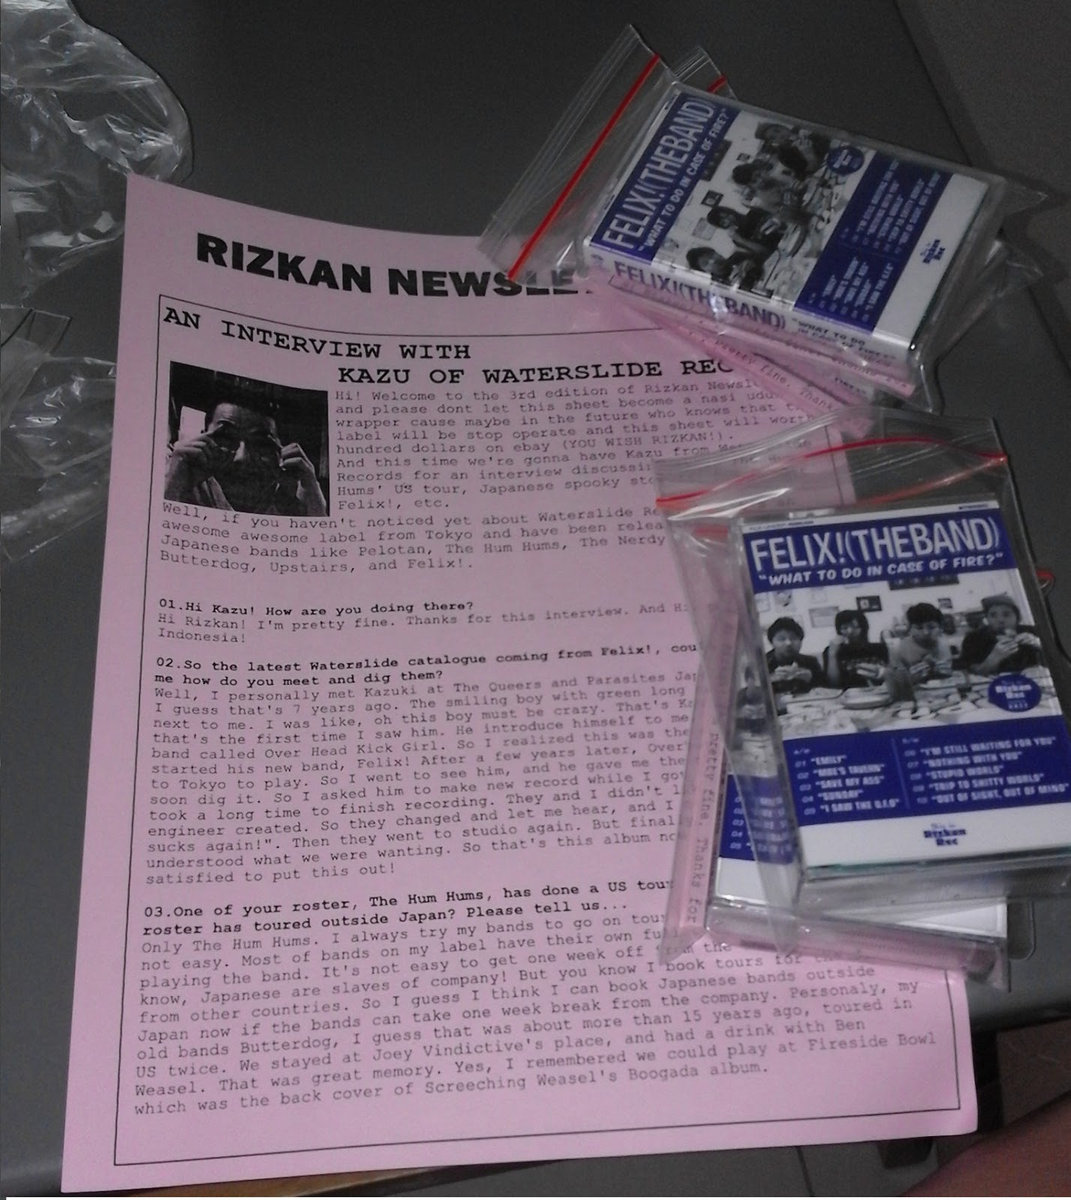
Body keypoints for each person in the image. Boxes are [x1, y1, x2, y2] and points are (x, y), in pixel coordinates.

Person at [164, 397, 327, 516]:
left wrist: (316, 507)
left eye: (260, 444)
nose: (241, 458)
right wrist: (171, 487)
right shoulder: (185, 482)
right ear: (202, 437)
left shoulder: (294, 497)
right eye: (226, 439)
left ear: (281, 450)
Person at [958, 593, 1042, 676]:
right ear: (987, 618)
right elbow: (970, 674)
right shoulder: (973, 638)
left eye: (1006, 614)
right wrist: (993, 659)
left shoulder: (1033, 632)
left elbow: (1048, 663)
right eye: (993, 615)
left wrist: (1039, 645)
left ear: (1017, 617)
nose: (1000, 620)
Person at [885, 602, 954, 692]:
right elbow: (893, 685)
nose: (926, 632)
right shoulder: (898, 649)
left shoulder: (944, 644)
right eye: (919, 628)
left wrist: (948, 673)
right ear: (910, 629)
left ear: (940, 628)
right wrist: (908, 679)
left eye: (931, 627)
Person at [821, 610, 888, 688]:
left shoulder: (880, 648)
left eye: (855, 627)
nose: (850, 631)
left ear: (864, 628)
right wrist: (832, 654)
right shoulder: (831, 651)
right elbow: (832, 684)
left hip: (878, 691)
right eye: (844, 628)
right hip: (846, 693)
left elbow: (891, 676)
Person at [764, 616, 825, 696]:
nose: (788, 643)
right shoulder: (761, 664)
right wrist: (769, 681)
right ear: (772, 642)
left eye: (794, 638)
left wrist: (811, 679)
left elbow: (826, 690)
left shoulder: (811, 662)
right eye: (781, 639)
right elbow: (751, 697)